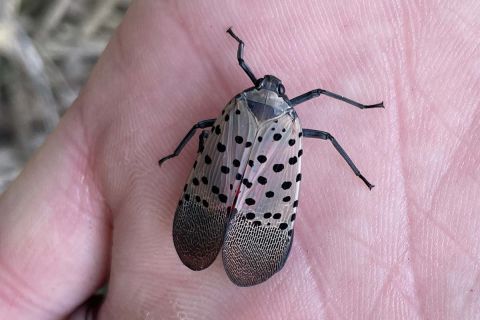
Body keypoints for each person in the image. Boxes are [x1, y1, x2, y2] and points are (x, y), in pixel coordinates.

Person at [1, 1, 478, 319]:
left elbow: (197, 130)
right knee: (325, 134)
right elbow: (322, 129)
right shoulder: (294, 121)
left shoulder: (233, 107)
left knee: (215, 133)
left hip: (215, 180)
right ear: (287, 98)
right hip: (268, 193)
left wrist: (174, 154)